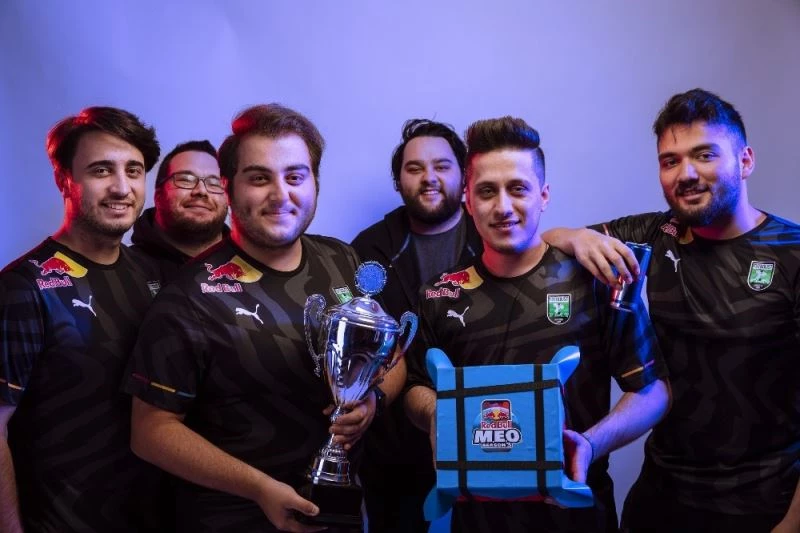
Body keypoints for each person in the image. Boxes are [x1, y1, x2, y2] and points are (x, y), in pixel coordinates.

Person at [123, 103, 404, 533]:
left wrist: (372, 401)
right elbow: (150, 432)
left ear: (314, 182)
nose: (280, 194)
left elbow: (393, 356)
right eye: (259, 178)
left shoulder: (341, 260)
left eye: (295, 176)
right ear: (229, 188)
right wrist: (258, 488)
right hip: (232, 520)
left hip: (339, 517)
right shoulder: (190, 296)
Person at [542, 88, 800, 532]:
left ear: (745, 161)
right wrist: (576, 236)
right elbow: (544, 243)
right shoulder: (652, 234)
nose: (686, 174)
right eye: (670, 161)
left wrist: (792, 524)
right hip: (662, 498)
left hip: (764, 504)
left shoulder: (792, 254)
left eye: (704, 155)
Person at [404, 116, 670, 532]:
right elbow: (414, 386)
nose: (503, 207)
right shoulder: (441, 294)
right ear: (468, 201)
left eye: (518, 189)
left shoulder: (594, 278)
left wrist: (589, 444)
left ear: (543, 195)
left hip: (577, 517)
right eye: (487, 191)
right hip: (477, 521)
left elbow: (652, 390)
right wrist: (436, 412)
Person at [0, 106, 164, 532]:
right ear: (64, 180)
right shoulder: (23, 287)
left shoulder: (151, 274)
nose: (122, 187)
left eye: (134, 170)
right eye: (101, 170)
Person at [351, 118, 482, 532]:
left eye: (442, 166)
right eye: (415, 168)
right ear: (398, 181)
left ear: (464, 176)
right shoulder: (368, 249)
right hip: (395, 447)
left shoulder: (493, 235)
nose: (429, 178)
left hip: (486, 431)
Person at [131, 140, 229, 281]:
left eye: (215, 183)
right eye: (186, 180)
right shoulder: (125, 270)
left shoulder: (252, 266)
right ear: (158, 196)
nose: (201, 191)